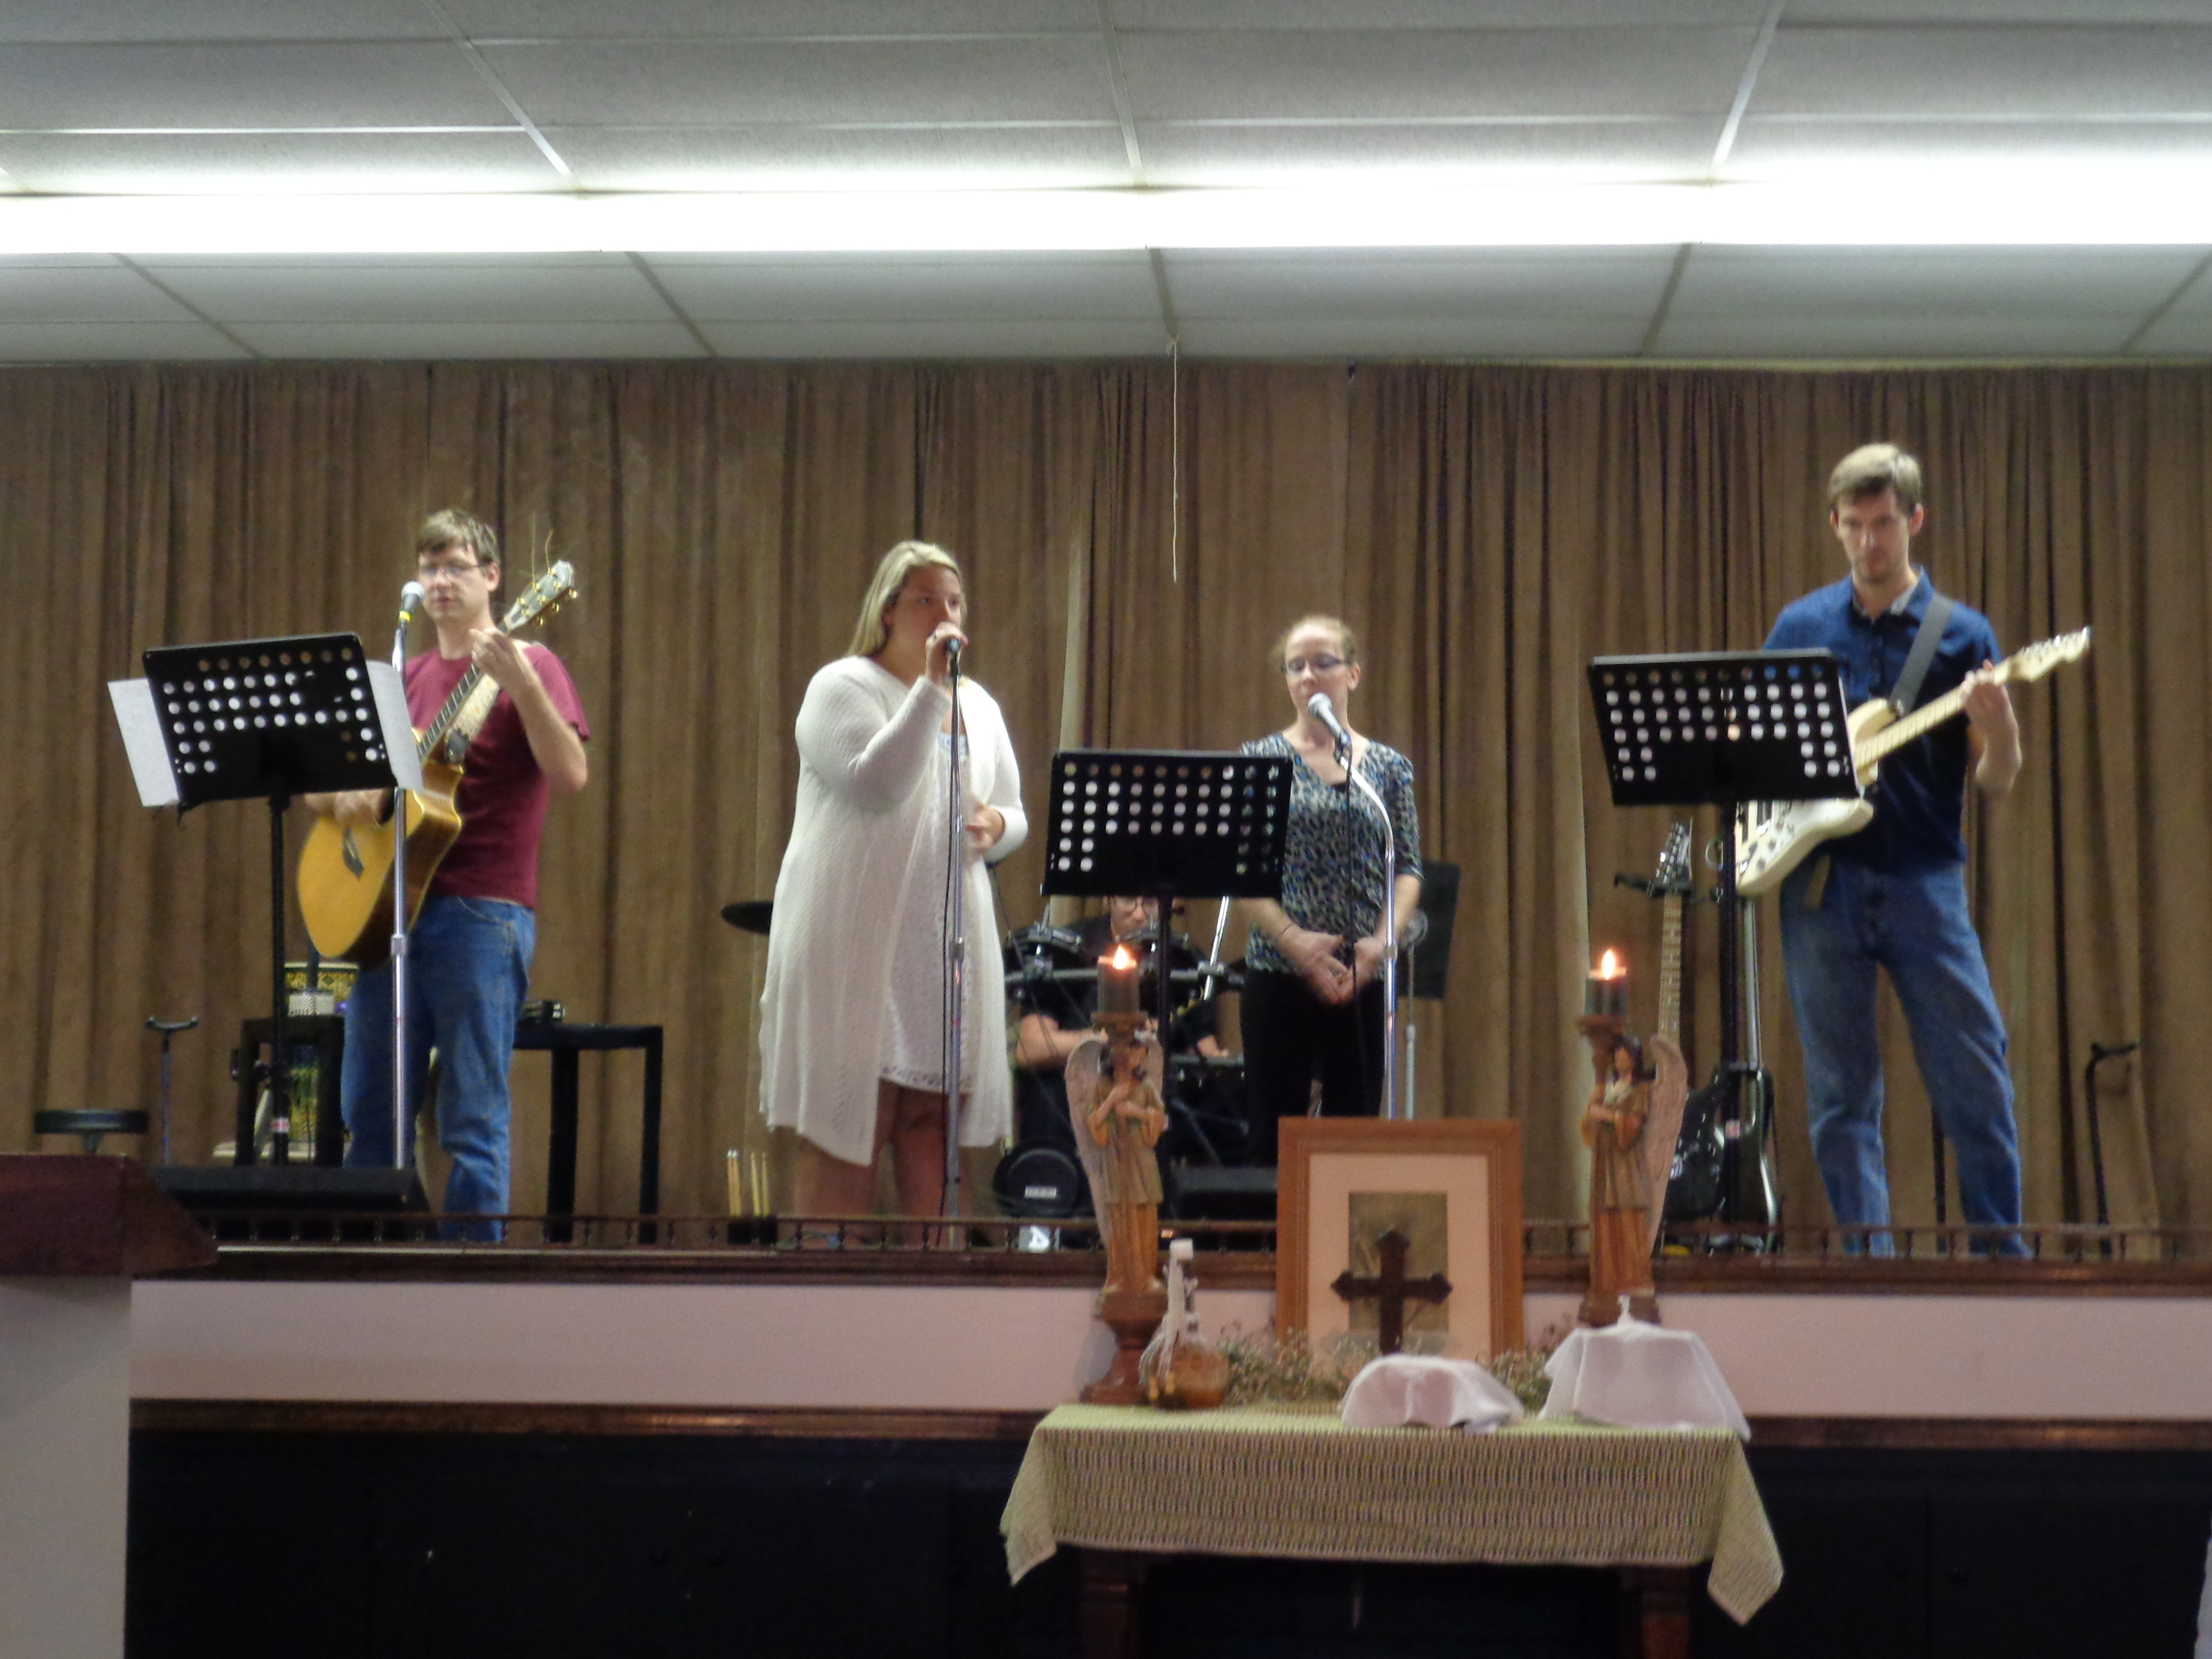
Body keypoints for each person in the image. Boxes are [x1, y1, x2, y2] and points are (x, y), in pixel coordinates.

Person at [1765, 443, 2025, 1253]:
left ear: (1915, 520)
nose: (1869, 542)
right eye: (1854, 525)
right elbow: (1757, 753)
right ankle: (1867, 1270)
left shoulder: (1963, 634)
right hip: (1822, 882)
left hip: (1924, 881)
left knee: (1975, 1079)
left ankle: (2003, 1261)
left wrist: (2000, 730)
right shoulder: (1801, 628)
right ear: (1834, 525)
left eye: (1883, 524)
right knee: (1841, 1097)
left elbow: (1997, 781)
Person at [313, 509, 590, 1234]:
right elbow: (319, 786)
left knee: (471, 1116)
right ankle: (372, 1265)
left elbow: (571, 773)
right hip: (385, 915)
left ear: (493, 578)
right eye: (429, 567)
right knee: (371, 1111)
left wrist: (522, 685)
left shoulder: (532, 665)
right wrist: (347, 798)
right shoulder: (401, 678)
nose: (439, 581)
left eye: (456, 567)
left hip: (480, 913)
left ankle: (472, 1276)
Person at [758, 540, 1026, 1222]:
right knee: (851, 1125)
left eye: (955, 601)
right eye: (926, 599)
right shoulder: (842, 687)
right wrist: (931, 689)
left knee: (931, 1127)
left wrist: (997, 824)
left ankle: (933, 1285)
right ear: (887, 610)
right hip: (857, 946)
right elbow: (880, 784)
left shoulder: (979, 705)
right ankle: (823, 1282)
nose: (945, 613)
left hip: (939, 949)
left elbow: (1014, 811)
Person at [1238, 615, 1422, 1164]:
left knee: (1354, 1144)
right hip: (1280, 968)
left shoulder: (1387, 767)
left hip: (1361, 973)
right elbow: (1242, 871)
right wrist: (1294, 942)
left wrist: (1381, 945)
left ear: (1353, 675)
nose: (1308, 677)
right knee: (1271, 1141)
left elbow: (1407, 868)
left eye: (1323, 663)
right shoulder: (1260, 759)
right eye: (1295, 666)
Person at [1011, 896, 1225, 1156]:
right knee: (1047, 1096)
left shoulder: (1185, 959)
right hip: (1076, 1082)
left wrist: (1215, 1064)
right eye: (1128, 901)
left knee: (1214, 1105)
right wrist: (1105, 1038)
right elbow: (1031, 1049)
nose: (1139, 914)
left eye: (1150, 903)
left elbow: (1204, 1051)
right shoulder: (1066, 950)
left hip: (1149, 1086)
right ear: (1109, 900)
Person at [1582, 1033, 1654, 1322]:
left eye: (1625, 1056)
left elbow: (1635, 1126)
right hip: (1606, 1162)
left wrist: (1609, 1116)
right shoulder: (1607, 1089)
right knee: (1606, 1218)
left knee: (1628, 1215)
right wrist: (1591, 1110)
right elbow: (1589, 1130)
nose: (1621, 1061)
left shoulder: (1641, 1090)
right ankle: (1608, 1279)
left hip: (1626, 1163)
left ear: (1635, 1060)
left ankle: (1633, 1279)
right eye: (1617, 1056)